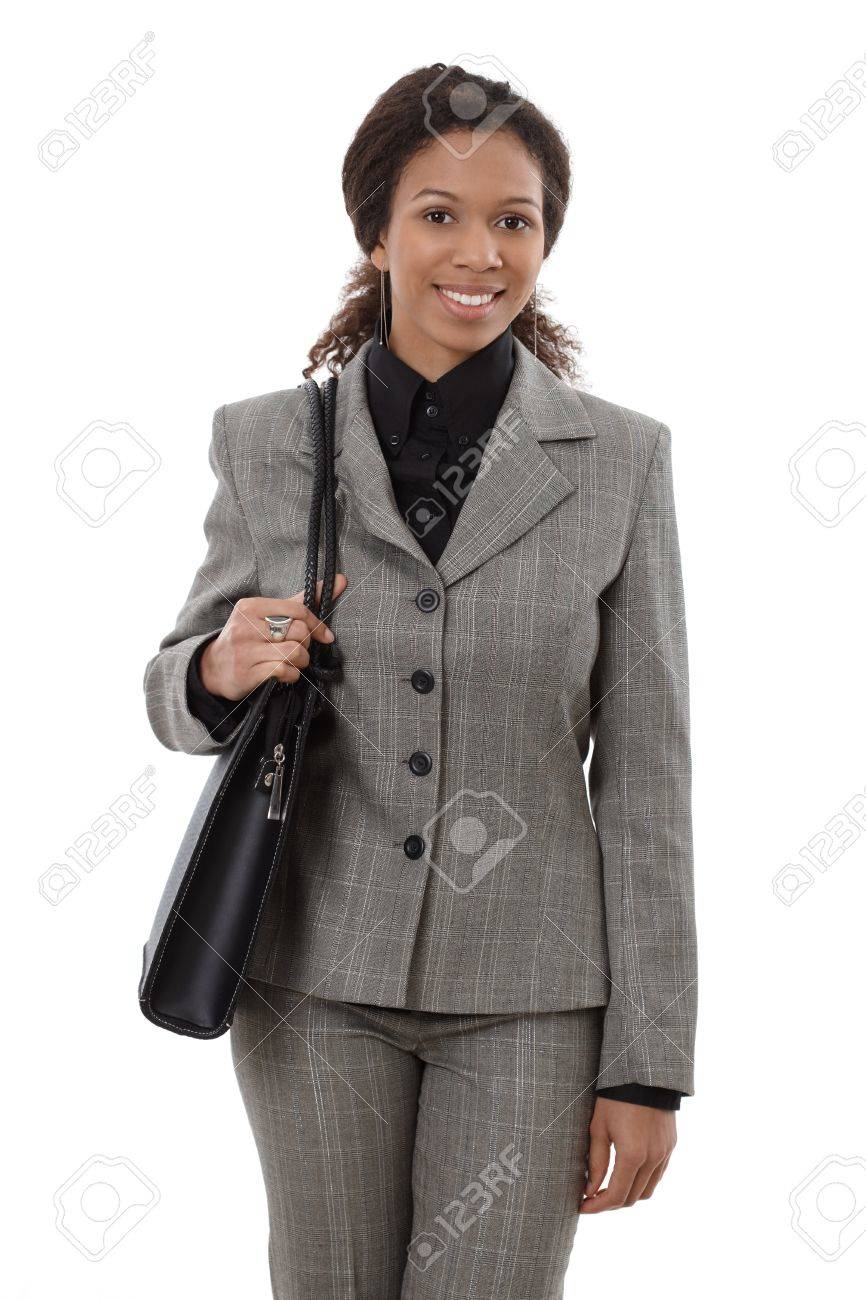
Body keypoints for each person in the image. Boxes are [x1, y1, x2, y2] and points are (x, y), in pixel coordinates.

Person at [143, 61, 697, 1300]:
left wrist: (648, 1059)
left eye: (515, 220)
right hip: (310, 982)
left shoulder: (616, 461)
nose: (480, 251)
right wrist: (219, 665)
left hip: (534, 1000)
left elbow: (649, 773)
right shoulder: (270, 440)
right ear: (376, 232)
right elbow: (172, 686)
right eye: (439, 214)